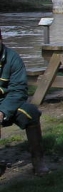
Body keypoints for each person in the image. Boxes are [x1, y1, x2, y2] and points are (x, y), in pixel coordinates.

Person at [0, 28, 49, 176]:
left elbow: (19, 91)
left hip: (8, 102)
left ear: (1, 39)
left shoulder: (13, 58)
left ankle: (38, 160)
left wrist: (2, 112)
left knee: (31, 112)